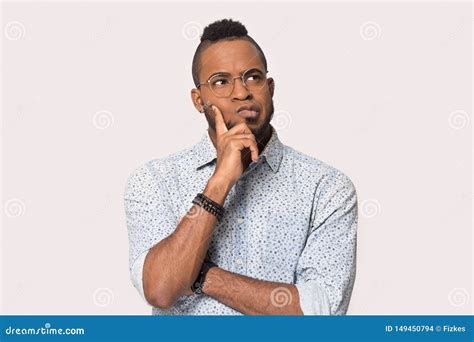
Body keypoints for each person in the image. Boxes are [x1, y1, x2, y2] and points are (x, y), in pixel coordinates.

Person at [124, 18, 358, 315]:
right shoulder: (153, 180)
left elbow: (322, 311)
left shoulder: (326, 187)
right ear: (198, 100)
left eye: (253, 77)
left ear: (270, 87)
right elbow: (160, 288)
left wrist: (203, 277)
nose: (242, 93)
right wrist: (220, 181)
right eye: (221, 81)